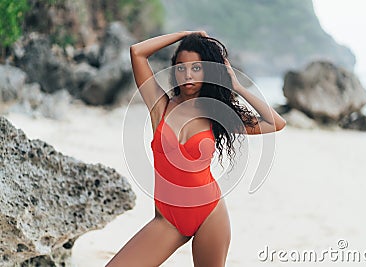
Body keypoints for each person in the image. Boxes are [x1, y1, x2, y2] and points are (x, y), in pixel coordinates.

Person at [106, 31, 286, 266]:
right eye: (180, 67)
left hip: (209, 214)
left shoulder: (217, 115)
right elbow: (137, 52)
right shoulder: (160, 106)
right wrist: (185, 35)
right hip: (167, 222)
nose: (187, 75)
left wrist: (237, 86)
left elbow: (276, 123)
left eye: (197, 68)